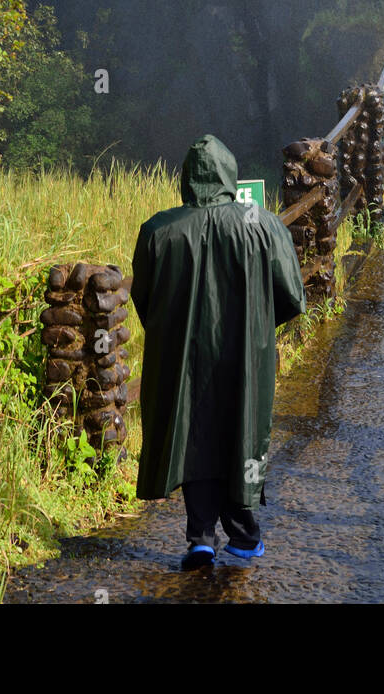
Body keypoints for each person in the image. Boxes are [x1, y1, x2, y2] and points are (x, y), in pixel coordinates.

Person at [131, 133, 306, 571]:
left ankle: (201, 537)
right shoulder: (263, 225)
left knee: (192, 434)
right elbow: (292, 296)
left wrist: (175, 330)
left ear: (187, 180)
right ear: (228, 175)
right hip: (247, 353)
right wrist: (258, 328)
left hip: (183, 354)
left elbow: (146, 300)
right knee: (240, 430)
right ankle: (243, 535)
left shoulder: (158, 230)